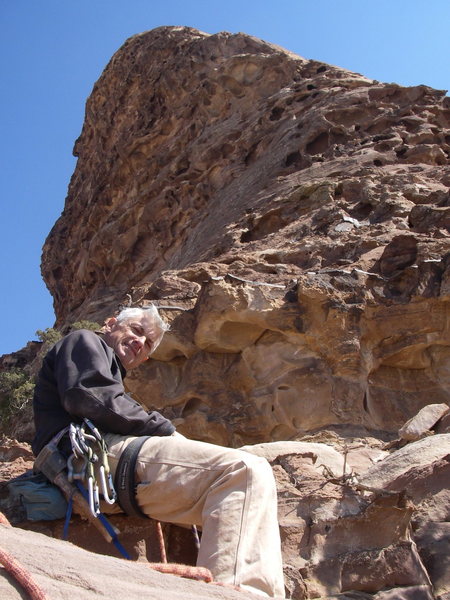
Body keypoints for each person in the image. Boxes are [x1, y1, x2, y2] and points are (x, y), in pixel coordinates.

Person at [32, 305, 285, 598]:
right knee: (243, 470)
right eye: (137, 331)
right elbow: (89, 398)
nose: (140, 343)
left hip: (92, 463)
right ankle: (239, 592)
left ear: (146, 359)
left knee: (238, 497)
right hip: (89, 452)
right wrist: (165, 429)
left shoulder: (112, 371)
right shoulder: (85, 340)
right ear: (111, 324)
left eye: (148, 343)